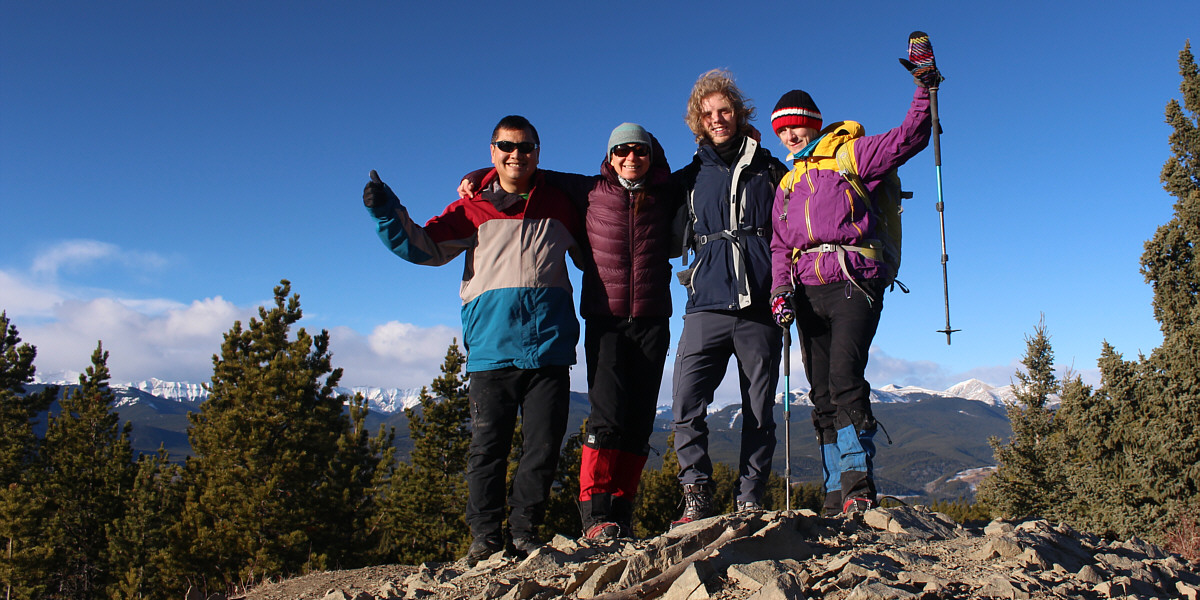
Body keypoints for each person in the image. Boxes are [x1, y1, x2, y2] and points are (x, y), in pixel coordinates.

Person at [362, 115, 585, 565]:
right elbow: (423, 246)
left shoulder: (562, 205)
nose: (516, 155)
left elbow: (600, 248)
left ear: (538, 152)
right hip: (491, 350)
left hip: (549, 349)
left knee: (542, 449)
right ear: (493, 151)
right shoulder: (471, 208)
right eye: (507, 146)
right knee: (487, 450)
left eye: (525, 147)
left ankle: (524, 533)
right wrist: (386, 211)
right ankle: (485, 538)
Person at [457, 124, 680, 540]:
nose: (631, 158)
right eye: (622, 151)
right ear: (609, 158)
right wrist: (480, 175)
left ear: (653, 156)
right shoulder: (589, 189)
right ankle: (595, 515)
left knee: (639, 420)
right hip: (605, 319)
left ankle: (622, 511)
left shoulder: (668, 190)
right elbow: (525, 171)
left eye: (640, 151)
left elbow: (709, 171)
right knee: (607, 416)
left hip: (654, 320)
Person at [768, 36, 941, 515]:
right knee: (821, 391)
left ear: (813, 123)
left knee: (845, 377)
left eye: (796, 125)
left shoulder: (852, 154)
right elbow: (780, 244)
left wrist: (924, 87)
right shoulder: (788, 183)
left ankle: (857, 485)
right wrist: (780, 289)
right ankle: (833, 493)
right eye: (782, 130)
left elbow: (911, 136)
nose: (790, 135)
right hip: (806, 290)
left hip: (853, 280)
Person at [670, 69, 789, 526]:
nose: (717, 119)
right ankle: (696, 493)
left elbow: (803, 213)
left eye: (725, 111)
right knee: (686, 402)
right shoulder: (690, 176)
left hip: (760, 303)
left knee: (759, 409)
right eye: (708, 114)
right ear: (697, 122)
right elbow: (626, 187)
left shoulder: (770, 169)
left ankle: (750, 497)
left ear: (739, 114)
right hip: (706, 302)